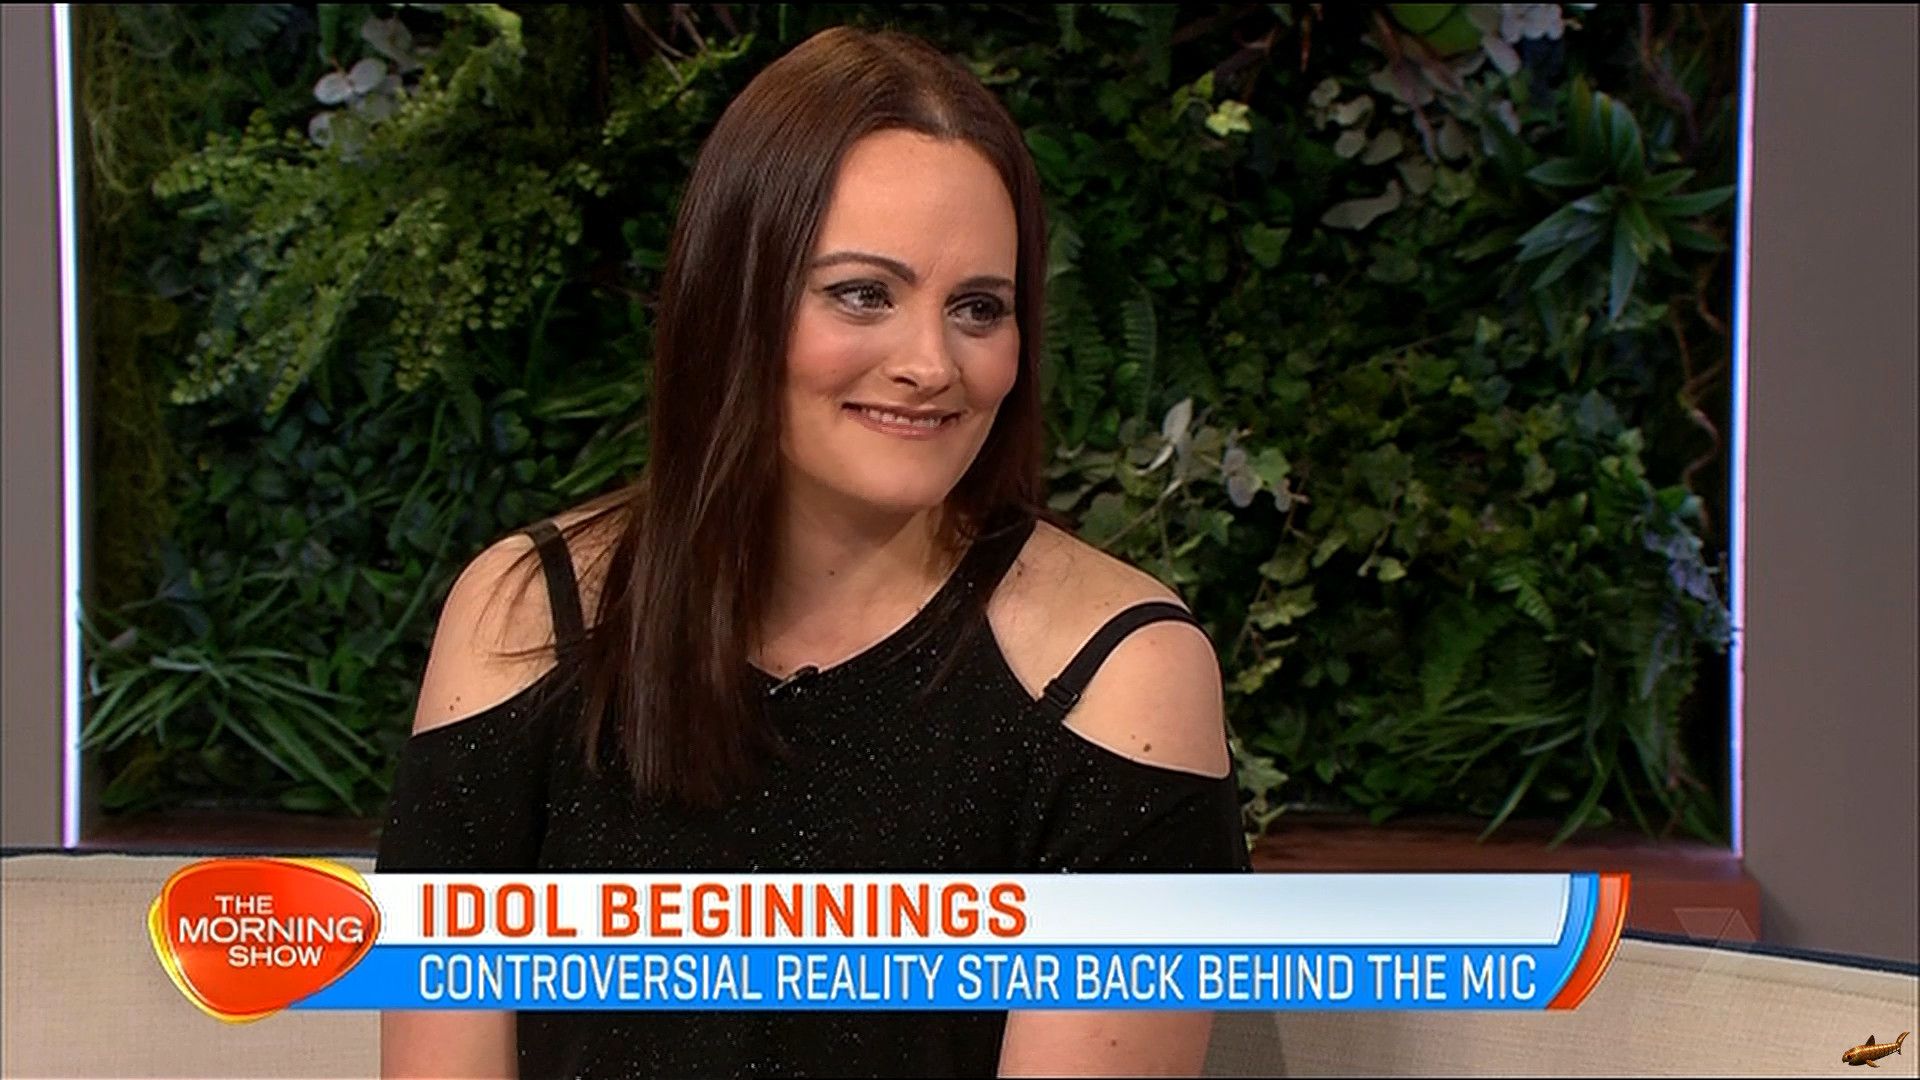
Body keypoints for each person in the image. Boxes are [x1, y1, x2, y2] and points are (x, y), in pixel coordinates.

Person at [377, 24, 1250, 1080]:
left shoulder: (1121, 676)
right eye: (863, 293)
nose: (931, 363)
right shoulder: (529, 614)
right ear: (732, 300)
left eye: (979, 308)